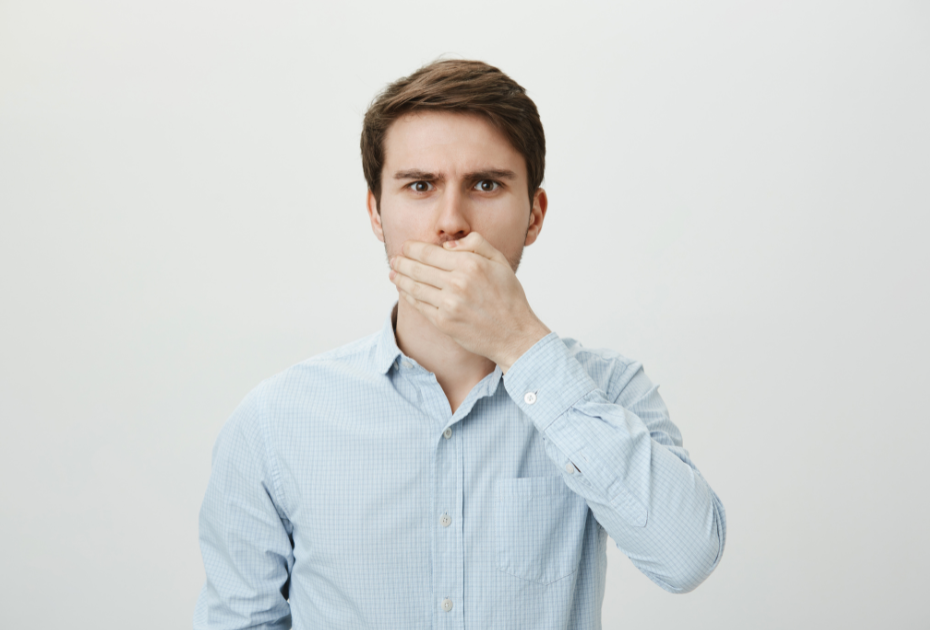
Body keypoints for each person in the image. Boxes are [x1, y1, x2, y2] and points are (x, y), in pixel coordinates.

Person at [193, 59, 726, 630]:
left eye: (486, 184)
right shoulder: (276, 421)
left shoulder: (608, 390)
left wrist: (521, 344)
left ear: (534, 216)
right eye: (420, 186)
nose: (452, 221)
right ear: (376, 211)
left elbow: (687, 557)